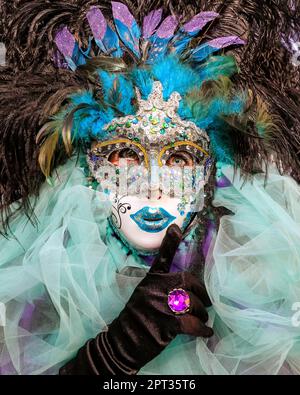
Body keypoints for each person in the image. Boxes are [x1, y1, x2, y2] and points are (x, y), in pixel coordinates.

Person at [0, 0, 299, 375]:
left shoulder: (264, 281)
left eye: (179, 159)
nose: (154, 187)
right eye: (125, 155)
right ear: (86, 168)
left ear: (210, 172)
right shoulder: (38, 287)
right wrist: (109, 356)